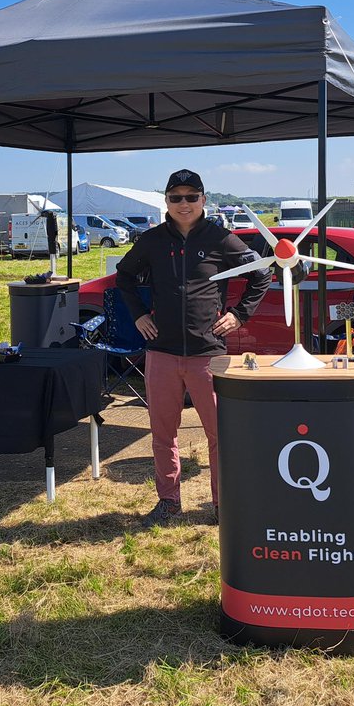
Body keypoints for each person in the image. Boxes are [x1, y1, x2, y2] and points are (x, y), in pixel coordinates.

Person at [115, 169, 272, 527]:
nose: (183, 204)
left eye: (190, 197)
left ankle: (223, 504)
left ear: (203, 199)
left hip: (209, 355)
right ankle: (169, 502)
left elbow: (262, 274)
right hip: (162, 352)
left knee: (220, 434)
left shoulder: (221, 238)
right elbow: (124, 277)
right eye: (176, 197)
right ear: (167, 201)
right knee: (162, 434)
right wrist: (138, 315)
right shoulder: (152, 240)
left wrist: (239, 315)